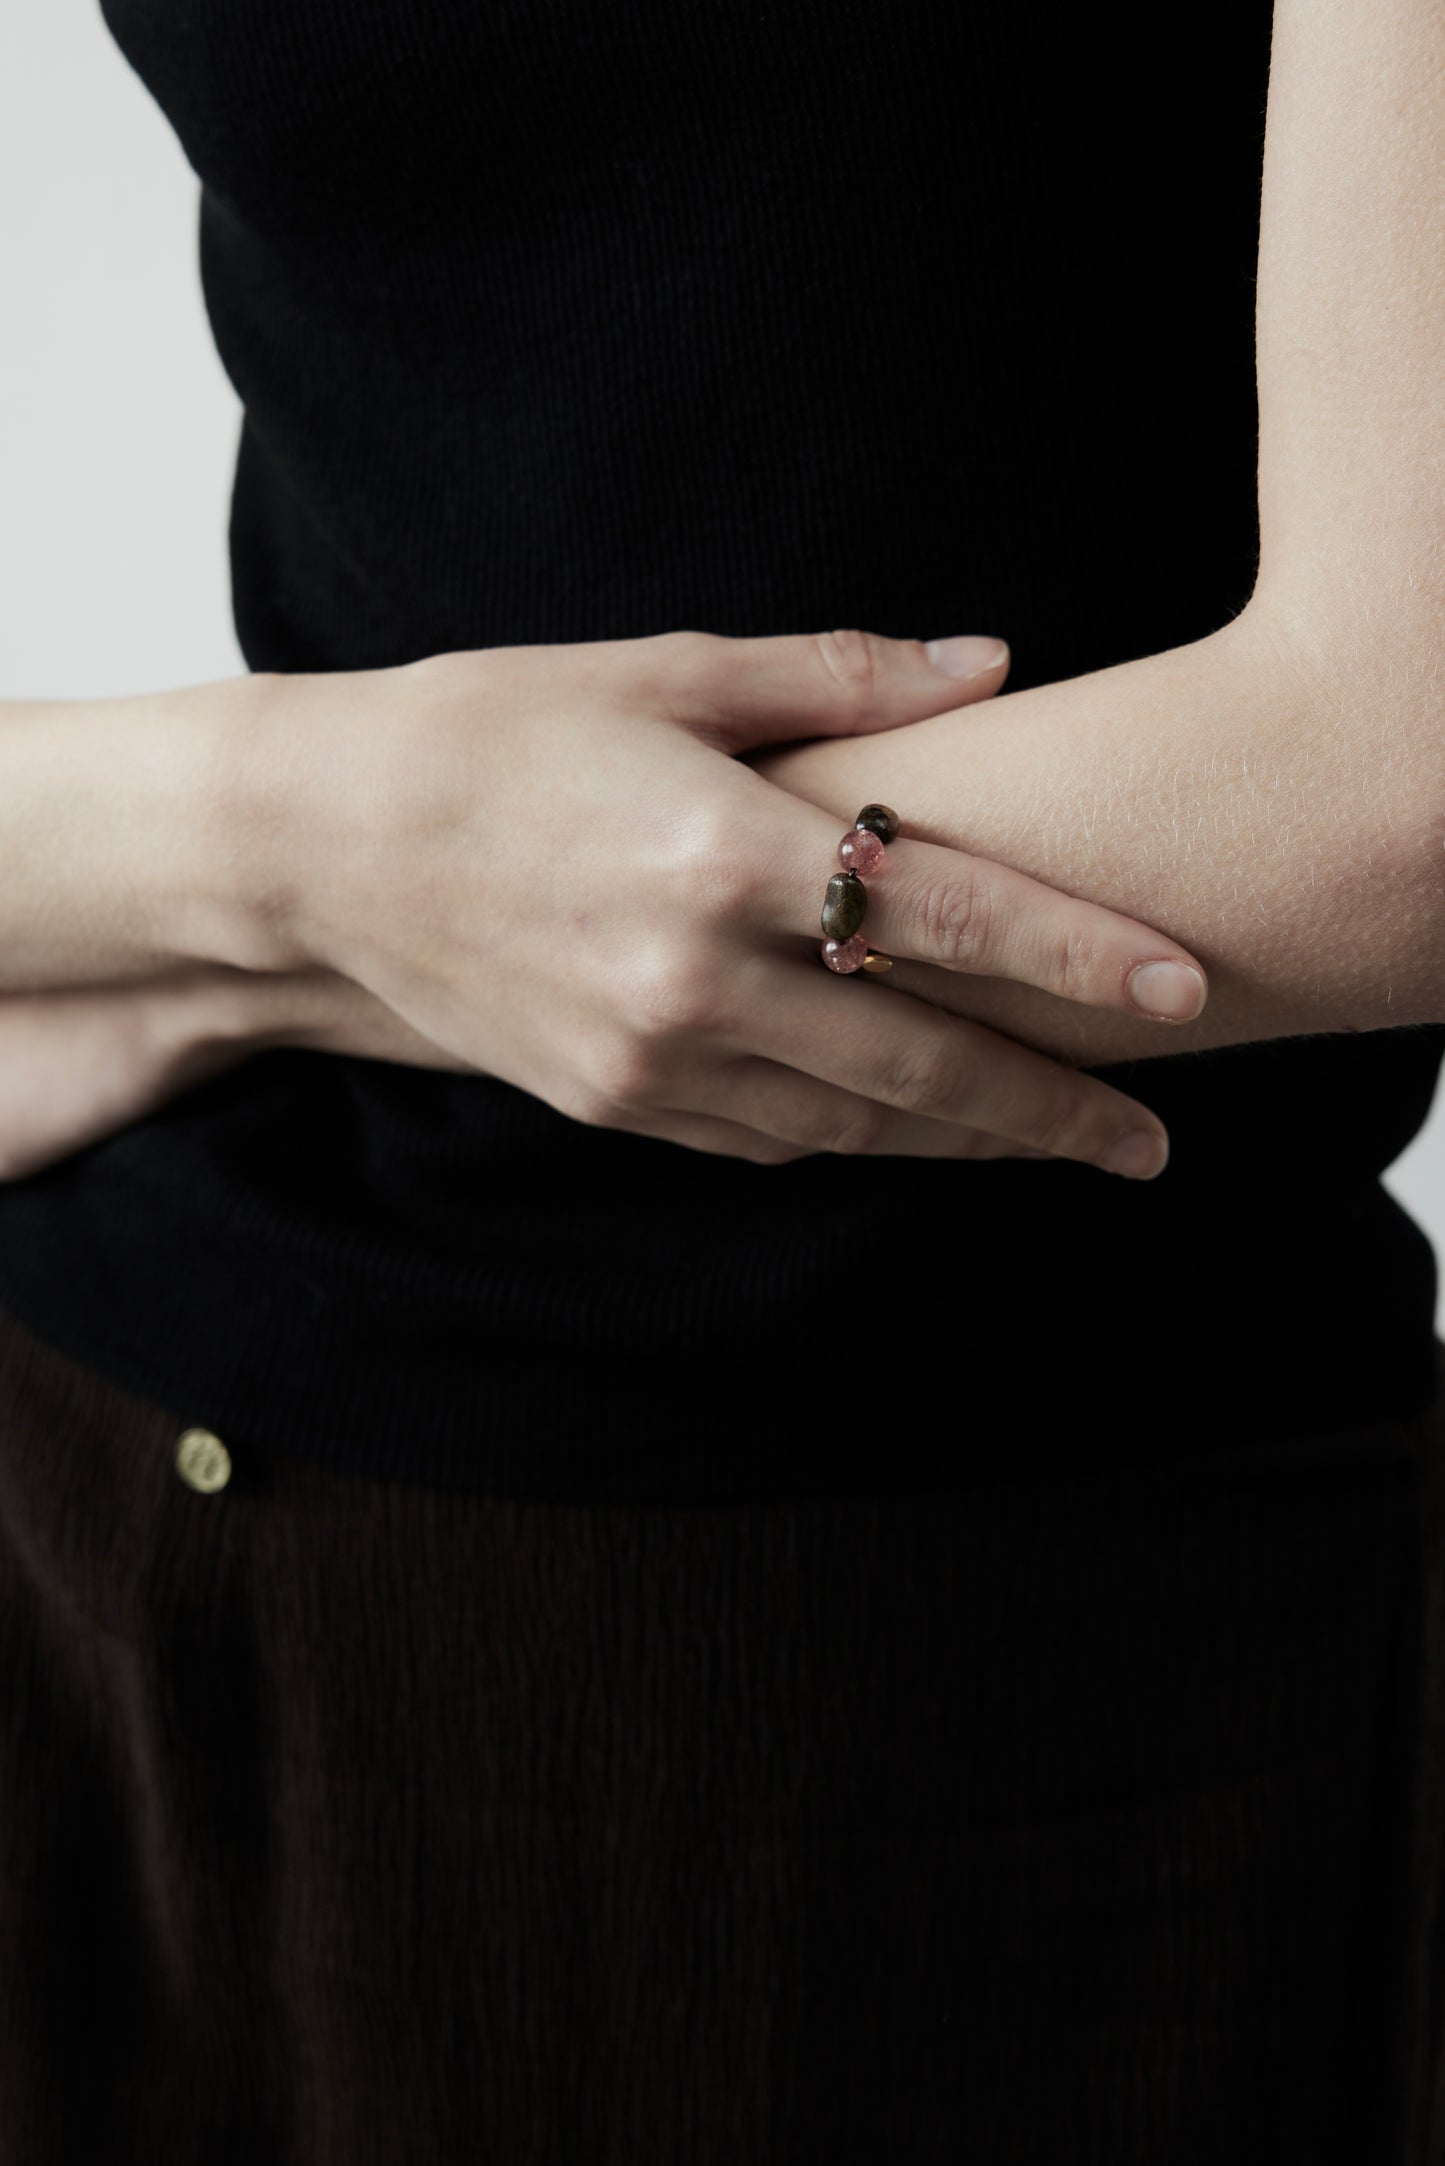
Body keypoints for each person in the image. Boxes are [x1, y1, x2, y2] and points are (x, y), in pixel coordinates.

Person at [1, 0, 1443, 2159]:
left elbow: (1393, 795)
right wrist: (272, 841)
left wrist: (229, 958)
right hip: (94, 1454)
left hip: (944, 1647)